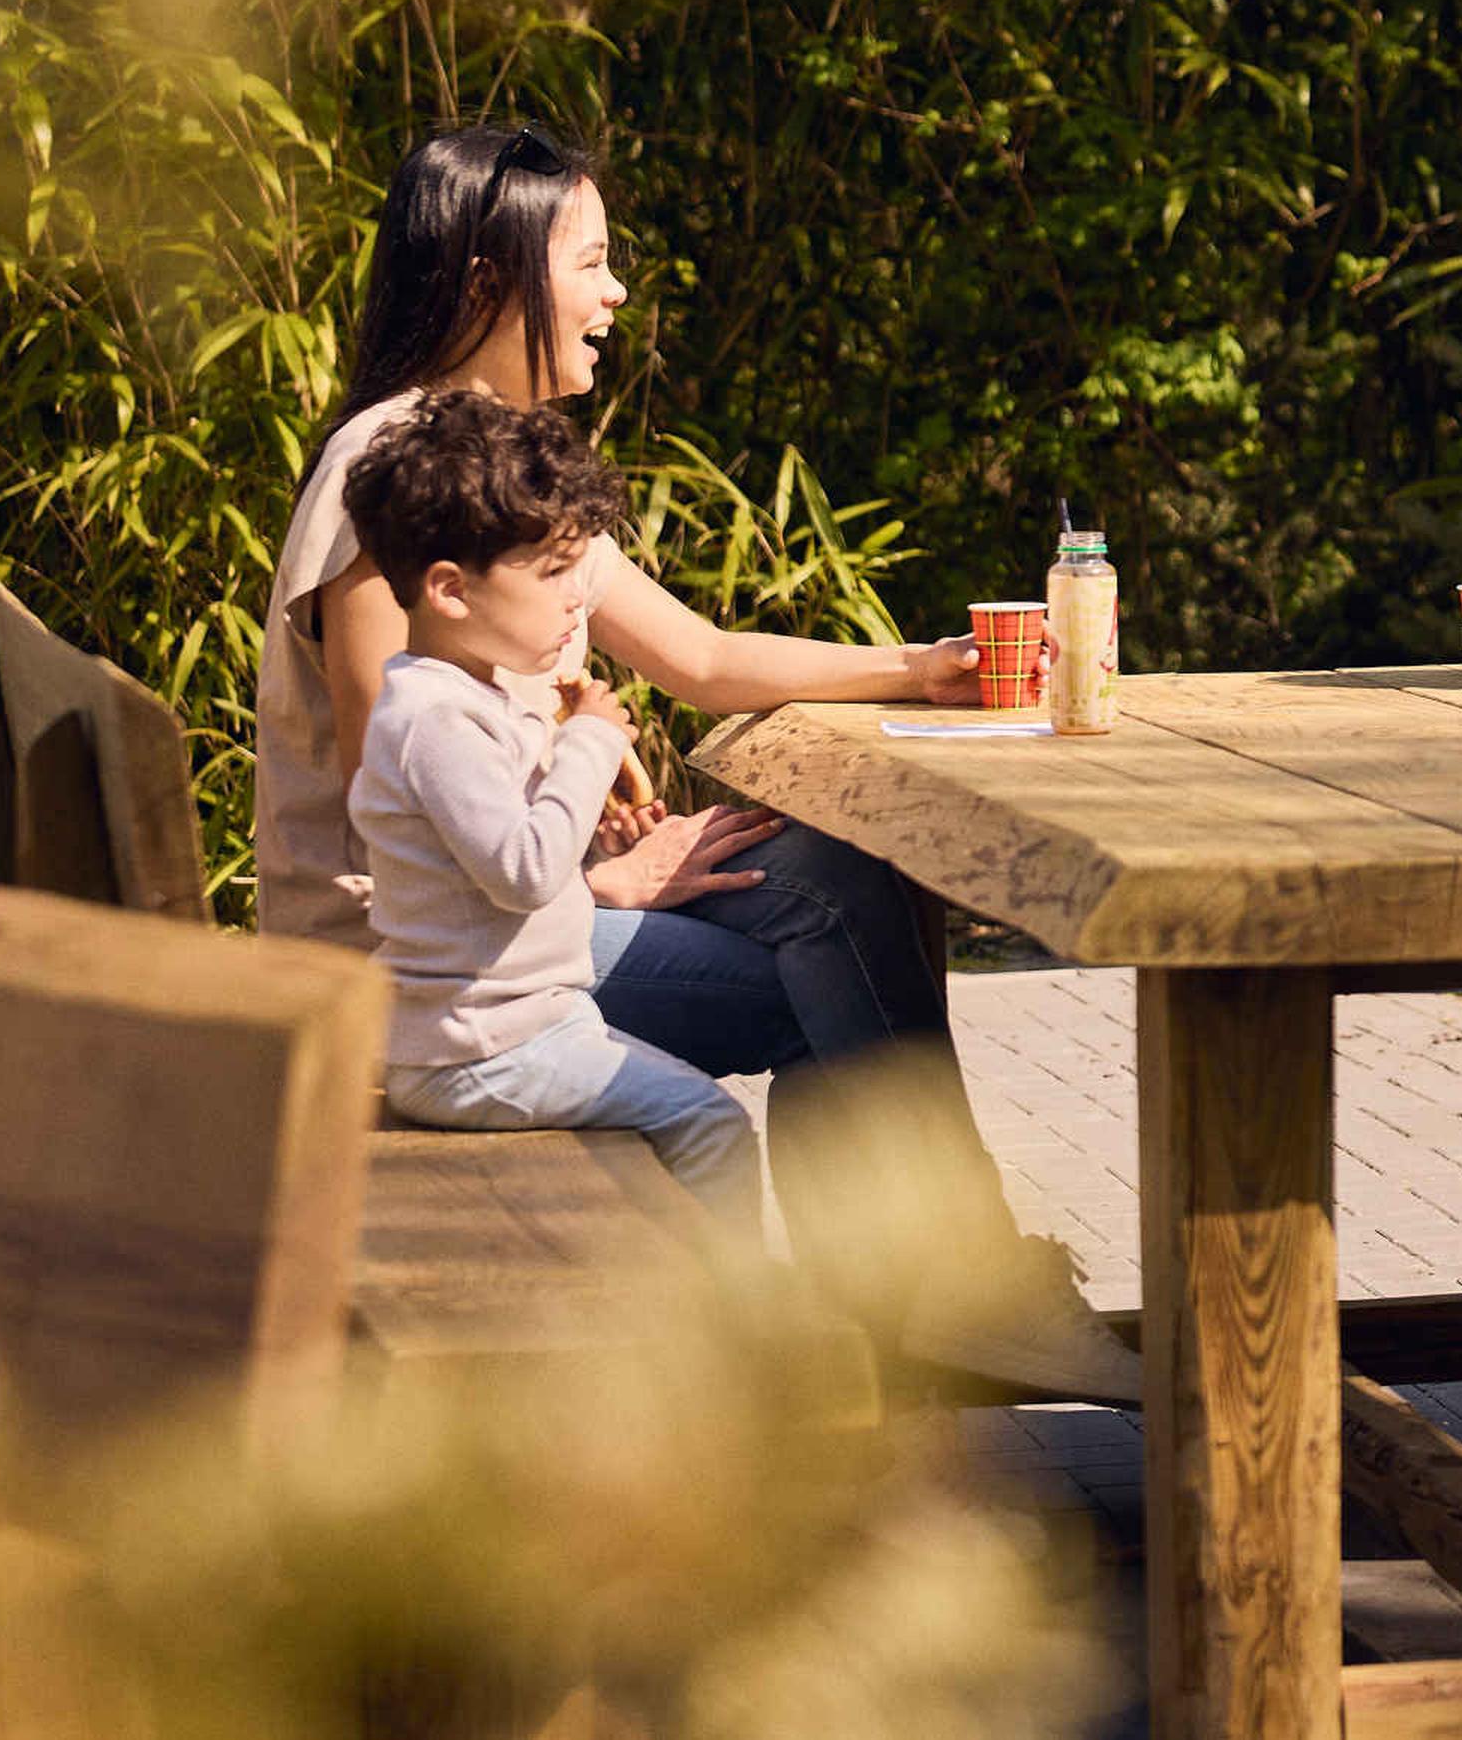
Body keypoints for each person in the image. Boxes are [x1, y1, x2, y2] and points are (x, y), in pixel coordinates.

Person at [253, 121, 1112, 1393]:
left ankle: (919, 1299)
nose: (615, 295)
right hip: (412, 979)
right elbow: (402, 762)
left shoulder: (502, 470)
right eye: (590, 264)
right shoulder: (399, 482)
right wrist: (591, 880)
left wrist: (917, 666)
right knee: (842, 965)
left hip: (484, 940)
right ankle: (917, 1303)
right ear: (488, 284)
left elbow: (701, 660)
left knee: (839, 891)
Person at [344, 390, 764, 1226]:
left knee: (685, 1108)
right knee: (711, 1125)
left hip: (511, 1029)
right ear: (451, 591)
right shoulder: (434, 719)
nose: (577, 599)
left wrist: (592, 838)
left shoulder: (470, 694)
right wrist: (591, 743)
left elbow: (502, 853)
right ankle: (744, 1337)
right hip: (481, 1051)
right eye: (551, 574)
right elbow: (524, 873)